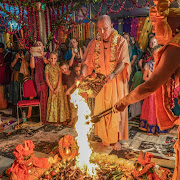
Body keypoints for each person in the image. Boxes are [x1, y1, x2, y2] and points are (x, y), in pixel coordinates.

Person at [113, 0, 180, 178]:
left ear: (169, 23)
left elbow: (150, 85)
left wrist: (123, 102)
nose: (156, 32)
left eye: (157, 26)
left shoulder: (176, 46)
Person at [81, 15, 131, 150]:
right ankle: (105, 137)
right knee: (101, 110)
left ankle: (116, 139)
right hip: (101, 84)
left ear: (112, 26)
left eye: (105, 29)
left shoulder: (120, 41)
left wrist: (113, 74)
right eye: (99, 29)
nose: (102, 32)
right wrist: (82, 75)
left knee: (115, 110)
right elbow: (86, 61)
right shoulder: (94, 42)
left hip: (116, 82)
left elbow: (123, 61)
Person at [45, 52, 69, 123]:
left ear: (57, 59)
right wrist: (51, 89)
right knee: (54, 102)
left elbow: (60, 77)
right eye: (51, 58)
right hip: (51, 86)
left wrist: (57, 88)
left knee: (61, 101)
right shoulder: (47, 67)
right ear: (49, 59)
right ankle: (55, 120)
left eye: (54, 58)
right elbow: (47, 79)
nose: (53, 60)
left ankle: (63, 119)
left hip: (59, 86)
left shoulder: (58, 65)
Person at [30, 41, 49, 123]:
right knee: (40, 98)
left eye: (39, 45)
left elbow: (48, 64)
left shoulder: (47, 54)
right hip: (37, 78)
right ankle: (42, 117)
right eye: (36, 45)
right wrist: (32, 55)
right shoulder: (34, 56)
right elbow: (32, 66)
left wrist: (42, 55)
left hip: (45, 78)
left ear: (43, 47)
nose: (38, 46)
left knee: (45, 98)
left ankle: (45, 118)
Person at [60, 61, 78, 126]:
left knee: (77, 106)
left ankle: (76, 120)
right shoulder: (64, 76)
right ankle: (72, 120)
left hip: (76, 90)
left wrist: (69, 90)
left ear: (67, 67)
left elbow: (75, 83)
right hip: (70, 93)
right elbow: (65, 85)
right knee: (71, 106)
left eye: (65, 68)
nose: (64, 70)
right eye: (62, 69)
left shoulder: (73, 73)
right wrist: (67, 92)